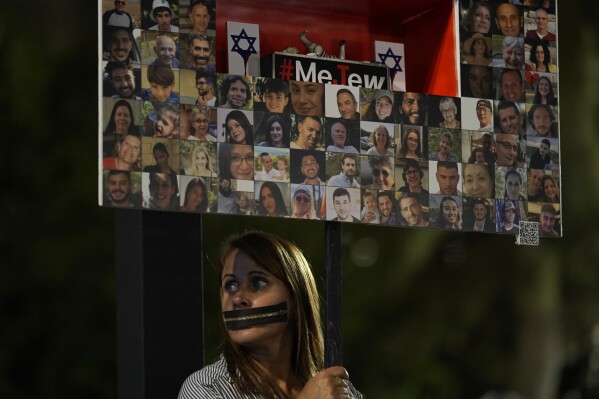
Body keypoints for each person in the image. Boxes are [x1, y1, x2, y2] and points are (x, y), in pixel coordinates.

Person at [178, 231, 363, 398]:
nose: (237, 298)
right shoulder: (207, 388)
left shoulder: (335, 389)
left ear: (295, 298)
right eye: (231, 286)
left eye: (258, 283)